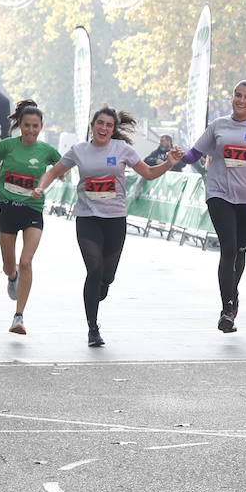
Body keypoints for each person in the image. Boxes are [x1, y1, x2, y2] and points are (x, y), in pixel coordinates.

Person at [33, 108, 182, 347]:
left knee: (106, 277)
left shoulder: (122, 150)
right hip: (88, 218)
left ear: (114, 129)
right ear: (92, 125)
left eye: (109, 125)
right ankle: (93, 328)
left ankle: (101, 286)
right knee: (94, 269)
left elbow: (149, 173)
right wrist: (42, 187)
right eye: (100, 123)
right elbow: (54, 172)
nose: (103, 128)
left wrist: (168, 163)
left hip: (114, 220)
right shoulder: (79, 151)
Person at [181, 80, 246, 333]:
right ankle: (227, 309)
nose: (241, 100)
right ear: (232, 97)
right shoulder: (218, 125)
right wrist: (177, 158)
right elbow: (194, 154)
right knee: (227, 248)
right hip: (219, 194)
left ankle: (232, 296)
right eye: (237, 95)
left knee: (239, 250)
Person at [0, 100, 63, 335]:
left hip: (33, 209)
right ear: (20, 125)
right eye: (27, 126)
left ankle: (18, 317)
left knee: (26, 262)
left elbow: (60, 167)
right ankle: (12, 277)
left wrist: (58, 175)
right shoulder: (7, 146)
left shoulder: (46, 151)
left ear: (41, 127)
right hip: (8, 209)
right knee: (9, 265)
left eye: (35, 126)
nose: (31, 130)